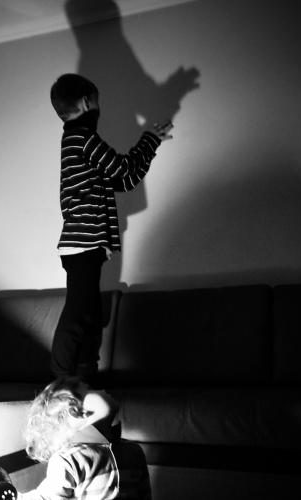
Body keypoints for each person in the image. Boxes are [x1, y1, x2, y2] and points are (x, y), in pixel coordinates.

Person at [49, 73, 173, 382]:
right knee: (79, 315)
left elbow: (125, 180)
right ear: (86, 102)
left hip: (85, 244)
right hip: (83, 244)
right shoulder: (82, 138)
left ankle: (84, 382)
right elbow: (124, 168)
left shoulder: (76, 140)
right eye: (97, 102)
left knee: (90, 318)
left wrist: (151, 144)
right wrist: (150, 140)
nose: (98, 108)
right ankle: (60, 383)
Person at [20, 376, 120, 499]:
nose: (103, 390)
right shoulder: (68, 459)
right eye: (91, 389)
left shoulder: (131, 449)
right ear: (74, 410)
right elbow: (46, 497)